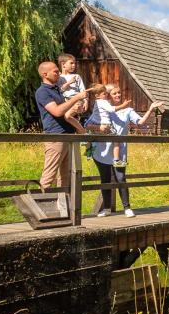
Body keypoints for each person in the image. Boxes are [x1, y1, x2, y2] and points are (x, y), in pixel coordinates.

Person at [90, 83, 162, 217]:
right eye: (114, 93)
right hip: (103, 149)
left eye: (119, 92)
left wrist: (151, 109)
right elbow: (87, 125)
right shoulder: (102, 108)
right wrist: (98, 128)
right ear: (107, 96)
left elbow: (140, 123)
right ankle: (106, 209)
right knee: (105, 179)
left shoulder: (127, 111)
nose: (118, 95)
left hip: (120, 149)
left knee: (120, 177)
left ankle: (127, 208)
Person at [34, 59, 92, 215]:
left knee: (65, 177)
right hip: (55, 135)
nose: (58, 73)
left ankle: (63, 211)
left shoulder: (57, 89)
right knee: (49, 174)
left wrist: (75, 109)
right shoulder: (43, 92)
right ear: (44, 74)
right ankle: (41, 211)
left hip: (67, 135)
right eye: (55, 71)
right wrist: (75, 98)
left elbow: (65, 113)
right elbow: (57, 112)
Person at [56, 53, 90, 130]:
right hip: (65, 102)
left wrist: (86, 101)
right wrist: (68, 83)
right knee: (70, 120)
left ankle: (83, 131)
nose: (74, 65)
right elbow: (59, 90)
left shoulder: (76, 76)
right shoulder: (59, 78)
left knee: (67, 116)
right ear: (63, 64)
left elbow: (83, 90)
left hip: (77, 100)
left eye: (74, 63)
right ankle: (81, 136)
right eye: (71, 63)